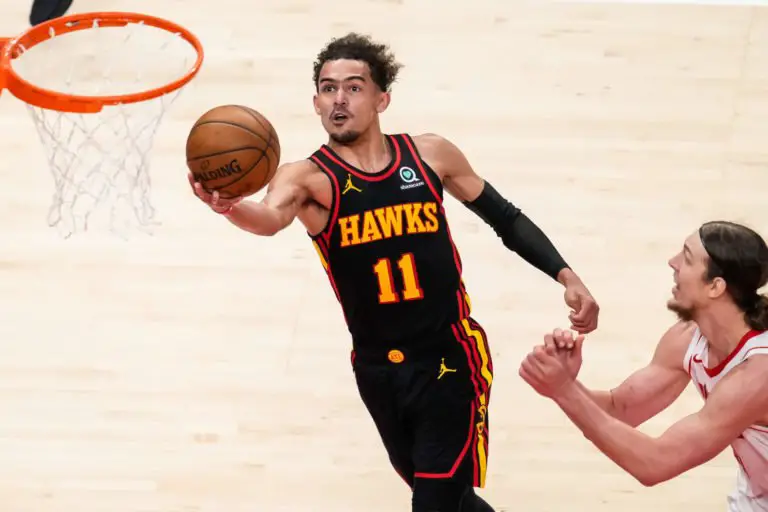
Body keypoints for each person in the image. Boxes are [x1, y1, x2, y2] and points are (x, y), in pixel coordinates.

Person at [189, 33, 600, 512]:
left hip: (450, 358)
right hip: (378, 369)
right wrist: (229, 207)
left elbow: (505, 218)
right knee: (450, 498)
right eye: (328, 88)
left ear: (382, 99)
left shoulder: (429, 155)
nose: (339, 99)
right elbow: (269, 218)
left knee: (434, 502)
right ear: (315, 103)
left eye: (353, 87)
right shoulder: (307, 179)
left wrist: (566, 275)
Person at [519, 220, 768, 512]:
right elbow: (620, 409)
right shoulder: (688, 339)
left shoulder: (756, 373)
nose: (673, 262)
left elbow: (656, 463)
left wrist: (563, 390)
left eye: (687, 258)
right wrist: (568, 383)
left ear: (715, 286)